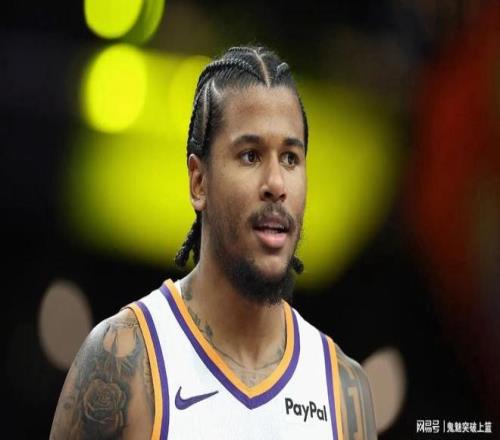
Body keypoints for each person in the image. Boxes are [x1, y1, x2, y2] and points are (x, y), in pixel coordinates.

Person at [50, 45, 377, 439]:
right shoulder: (122, 361)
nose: (276, 183)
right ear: (199, 182)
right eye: (251, 155)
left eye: (291, 158)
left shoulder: (343, 389)